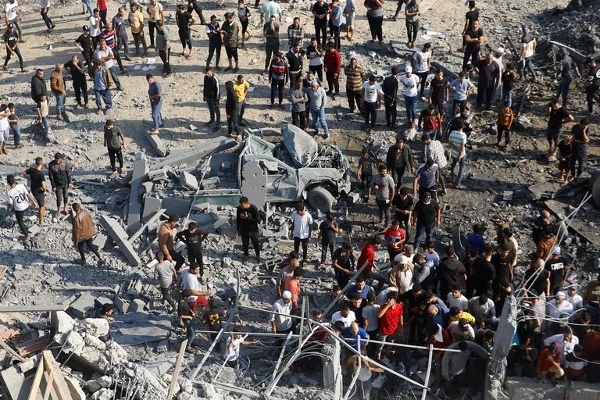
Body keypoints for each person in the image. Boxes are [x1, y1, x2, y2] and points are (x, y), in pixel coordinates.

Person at [6, 174, 37, 242]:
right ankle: (26, 229)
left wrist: (8, 209)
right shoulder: (21, 186)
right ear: (14, 181)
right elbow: (28, 194)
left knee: (20, 222)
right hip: (26, 205)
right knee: (22, 217)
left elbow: (11, 204)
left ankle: (27, 236)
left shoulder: (9, 193)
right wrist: (33, 202)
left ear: (8, 183)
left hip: (19, 208)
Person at [20, 158, 46, 226]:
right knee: (41, 206)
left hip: (33, 189)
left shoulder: (31, 170)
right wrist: (44, 189)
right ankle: (41, 222)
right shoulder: (41, 174)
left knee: (43, 200)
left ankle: (44, 212)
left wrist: (29, 178)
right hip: (39, 191)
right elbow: (44, 186)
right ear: (41, 164)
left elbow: (22, 174)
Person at [236, 196, 261, 264]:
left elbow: (258, 220)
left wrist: (247, 218)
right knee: (245, 244)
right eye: (240, 205)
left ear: (246, 203)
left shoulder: (253, 208)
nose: (241, 207)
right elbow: (238, 219)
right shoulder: (239, 209)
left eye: (242, 205)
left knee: (255, 243)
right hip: (243, 230)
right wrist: (238, 229)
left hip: (253, 230)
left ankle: (258, 256)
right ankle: (246, 256)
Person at [47, 152, 72, 221]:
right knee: (59, 198)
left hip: (65, 183)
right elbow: (51, 176)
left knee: (66, 196)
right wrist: (53, 186)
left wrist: (70, 182)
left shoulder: (65, 163)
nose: (57, 160)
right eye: (56, 159)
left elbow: (68, 173)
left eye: (58, 159)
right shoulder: (51, 165)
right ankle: (58, 210)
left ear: (61, 158)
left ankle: (65, 208)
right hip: (57, 184)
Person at [448, 119, 467, 189]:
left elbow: (450, 143)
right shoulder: (463, 135)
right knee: (462, 168)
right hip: (461, 155)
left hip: (453, 153)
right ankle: (458, 183)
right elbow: (462, 148)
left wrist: (456, 149)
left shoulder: (452, 132)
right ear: (463, 126)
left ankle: (452, 176)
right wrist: (459, 155)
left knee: (453, 164)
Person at [178, 289, 197, 354]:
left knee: (189, 332)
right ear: (186, 297)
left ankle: (188, 342)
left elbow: (188, 307)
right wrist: (189, 317)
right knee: (192, 334)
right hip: (187, 320)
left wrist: (192, 312)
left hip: (190, 318)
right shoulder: (181, 304)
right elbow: (180, 316)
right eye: (189, 296)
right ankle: (188, 347)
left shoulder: (184, 300)